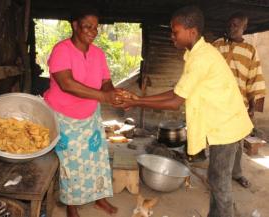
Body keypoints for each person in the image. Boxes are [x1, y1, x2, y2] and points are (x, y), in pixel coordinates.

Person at [115, 6, 253, 217]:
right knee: (217, 179)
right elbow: (177, 91)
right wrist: (139, 99)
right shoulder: (195, 54)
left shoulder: (201, 59)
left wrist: (138, 103)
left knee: (220, 182)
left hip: (227, 126)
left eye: (175, 31)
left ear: (192, 31)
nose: (172, 36)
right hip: (222, 124)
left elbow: (175, 102)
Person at [44, 6, 119, 217]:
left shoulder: (98, 54)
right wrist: (104, 97)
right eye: (88, 26)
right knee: (72, 162)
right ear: (74, 25)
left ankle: (99, 198)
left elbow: (106, 82)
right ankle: (71, 206)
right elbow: (66, 84)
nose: (92, 31)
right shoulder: (62, 50)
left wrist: (115, 95)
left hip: (90, 114)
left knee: (98, 158)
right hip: (64, 115)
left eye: (96, 27)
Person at [213, 12, 266, 188]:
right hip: (218, 104)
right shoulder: (217, 45)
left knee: (236, 143)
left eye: (236, 25)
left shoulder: (250, 51)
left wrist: (251, 108)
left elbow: (254, 80)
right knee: (217, 141)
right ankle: (216, 175)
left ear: (244, 27)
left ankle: (236, 173)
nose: (231, 27)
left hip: (238, 106)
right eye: (230, 24)